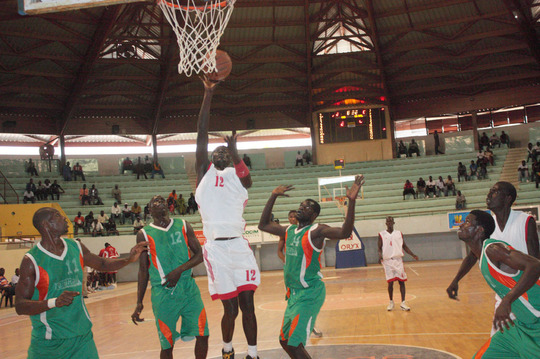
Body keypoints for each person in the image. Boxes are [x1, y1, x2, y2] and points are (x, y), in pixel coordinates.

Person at [14, 207, 147, 359]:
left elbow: (102, 264)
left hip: (82, 337)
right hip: (49, 342)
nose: (64, 218)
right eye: (57, 216)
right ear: (46, 225)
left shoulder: (75, 246)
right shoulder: (31, 260)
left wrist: (128, 259)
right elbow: (20, 306)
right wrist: (53, 302)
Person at [258, 175, 364, 358]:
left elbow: (345, 232)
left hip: (309, 293)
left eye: (306, 207)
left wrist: (351, 202)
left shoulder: (317, 231)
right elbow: (263, 225)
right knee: (285, 341)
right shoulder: (289, 230)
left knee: (294, 343)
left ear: (314, 215)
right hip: (293, 295)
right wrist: (273, 196)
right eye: (301, 205)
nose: (301, 208)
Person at [195, 75, 260, 359]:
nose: (220, 152)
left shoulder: (237, 174)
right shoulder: (204, 174)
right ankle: (227, 349)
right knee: (230, 308)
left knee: (249, 305)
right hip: (217, 248)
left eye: (226, 151)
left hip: (239, 246)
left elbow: (248, 182)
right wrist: (208, 94)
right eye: (217, 151)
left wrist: (235, 153)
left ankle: (254, 352)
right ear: (210, 159)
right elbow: (201, 134)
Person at [447, 182, 539, 334]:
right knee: (499, 344)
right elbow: (473, 256)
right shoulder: (489, 225)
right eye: (489, 191)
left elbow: (536, 262)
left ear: (508, 198)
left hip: (527, 295)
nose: (489, 194)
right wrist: (456, 280)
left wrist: (513, 297)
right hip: (503, 298)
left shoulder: (525, 221)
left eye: (495, 192)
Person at [131, 195, 209, 359]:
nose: (160, 203)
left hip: (188, 289)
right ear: (150, 210)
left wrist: (179, 270)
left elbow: (200, 254)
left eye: (162, 201)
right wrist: (139, 302)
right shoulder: (144, 234)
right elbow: (143, 270)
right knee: (167, 344)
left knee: (203, 333)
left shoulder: (182, 225)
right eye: (155, 202)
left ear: (168, 206)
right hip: (163, 294)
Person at [456, 210, 540, 358]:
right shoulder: (481, 257)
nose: (461, 225)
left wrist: (507, 300)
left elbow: (535, 265)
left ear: (479, 230)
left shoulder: (493, 249)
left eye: (468, 222)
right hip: (520, 327)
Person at [378, 216, 419, 312]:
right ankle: (391, 302)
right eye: (388, 221)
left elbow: (404, 246)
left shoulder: (399, 233)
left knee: (402, 282)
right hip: (388, 261)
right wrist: (380, 255)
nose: (389, 223)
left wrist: (412, 254)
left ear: (393, 223)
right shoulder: (381, 234)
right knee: (390, 283)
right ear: (386, 223)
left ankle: (403, 302)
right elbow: (379, 247)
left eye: (391, 221)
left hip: (398, 260)